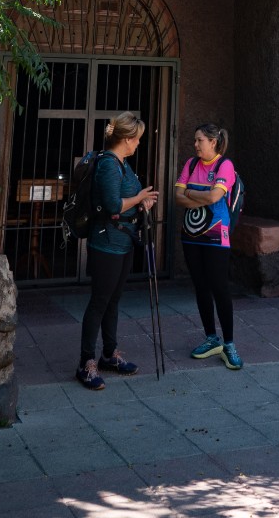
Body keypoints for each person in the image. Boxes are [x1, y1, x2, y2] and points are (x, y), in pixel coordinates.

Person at [76, 112, 158, 390]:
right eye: (137, 139)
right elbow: (113, 205)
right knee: (100, 301)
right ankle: (86, 363)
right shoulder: (109, 165)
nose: (139, 143)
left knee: (113, 300)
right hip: (106, 243)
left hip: (123, 241)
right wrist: (139, 198)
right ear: (126, 139)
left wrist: (142, 203)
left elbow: (128, 199)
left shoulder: (123, 163)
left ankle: (109, 354)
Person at [175, 123, 242, 370]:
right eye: (195, 140)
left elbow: (215, 197)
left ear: (213, 142)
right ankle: (211, 338)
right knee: (200, 286)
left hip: (216, 237)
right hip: (190, 235)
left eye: (199, 140)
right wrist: (200, 196)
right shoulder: (191, 164)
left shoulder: (225, 165)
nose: (195, 145)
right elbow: (177, 197)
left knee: (219, 287)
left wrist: (190, 194)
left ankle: (229, 344)